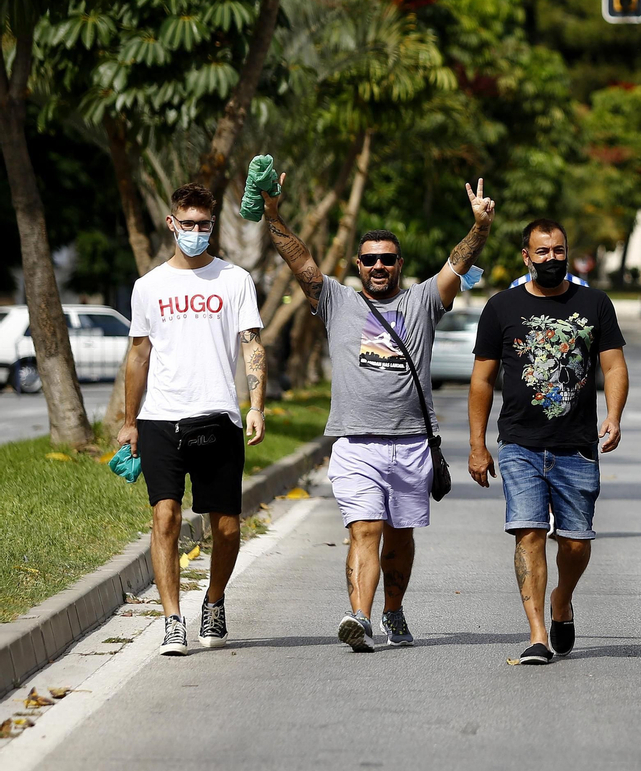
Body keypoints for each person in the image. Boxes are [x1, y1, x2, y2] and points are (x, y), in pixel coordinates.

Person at [262, 174, 494, 650]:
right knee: (365, 530)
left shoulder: (423, 300)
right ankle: (360, 618)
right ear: (359, 265)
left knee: (400, 537)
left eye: (388, 259)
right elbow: (301, 262)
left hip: (412, 445)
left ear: (399, 264)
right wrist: (273, 216)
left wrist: (480, 228)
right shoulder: (336, 301)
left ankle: (392, 610)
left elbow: (458, 262)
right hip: (356, 443)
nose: (379, 266)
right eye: (370, 260)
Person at [468, 219, 628, 665]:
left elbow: (614, 367)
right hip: (519, 444)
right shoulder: (501, 307)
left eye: (558, 250)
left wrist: (614, 415)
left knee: (575, 542)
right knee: (529, 533)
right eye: (542, 252)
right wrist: (478, 444)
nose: (551, 258)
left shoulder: (595, 303)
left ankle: (562, 598)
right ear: (526, 256)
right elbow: (482, 380)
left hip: (576, 445)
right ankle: (537, 634)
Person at [118, 183, 265, 656]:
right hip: (161, 418)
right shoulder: (148, 286)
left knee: (226, 527)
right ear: (172, 223)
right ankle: (172, 621)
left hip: (218, 416)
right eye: (188, 223)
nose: (196, 231)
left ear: (213, 225)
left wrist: (256, 405)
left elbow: (251, 343)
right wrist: (130, 421)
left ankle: (214, 600)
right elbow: (138, 355)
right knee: (165, 516)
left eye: (204, 224)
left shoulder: (235, 279)